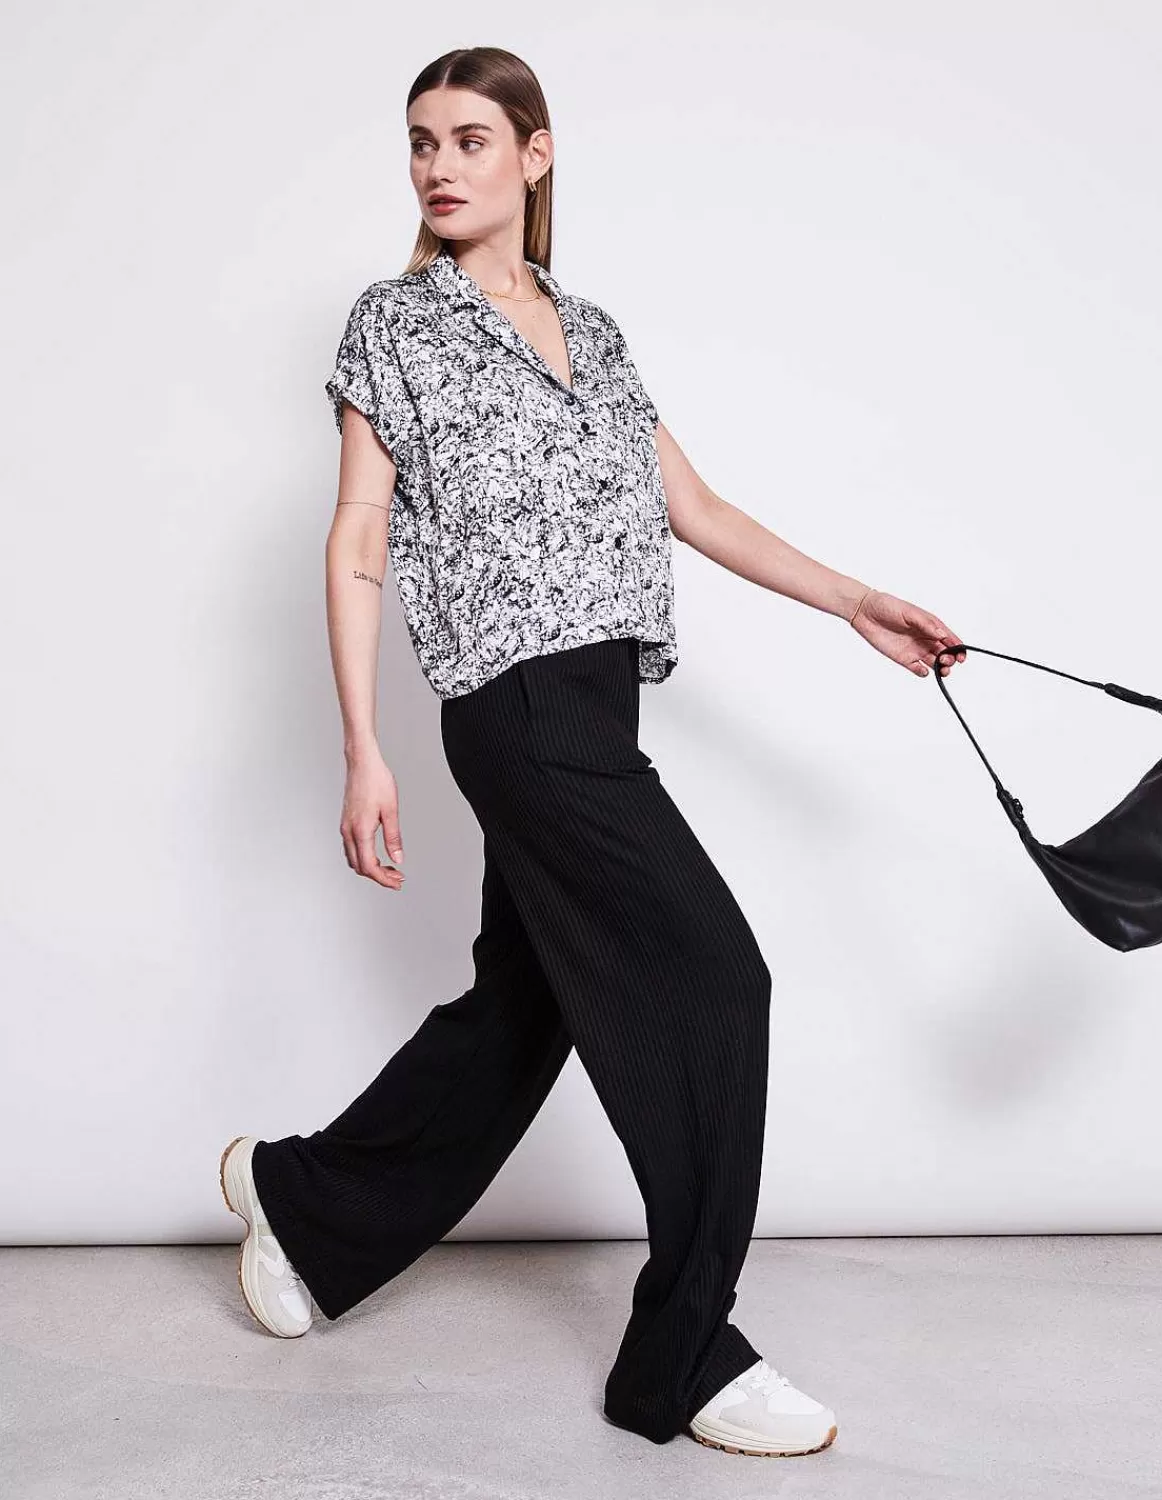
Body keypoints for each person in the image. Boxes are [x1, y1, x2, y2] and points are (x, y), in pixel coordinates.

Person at [219, 46, 967, 1458]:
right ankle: (683, 1354)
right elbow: (359, 536)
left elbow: (696, 507)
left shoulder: (596, 332)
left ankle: (303, 1205)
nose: (440, 166)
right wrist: (362, 748)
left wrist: (856, 600)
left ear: (535, 153)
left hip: (601, 697)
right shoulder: (396, 324)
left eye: (470, 139)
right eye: (421, 142)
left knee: (526, 1007)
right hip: (517, 711)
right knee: (717, 979)